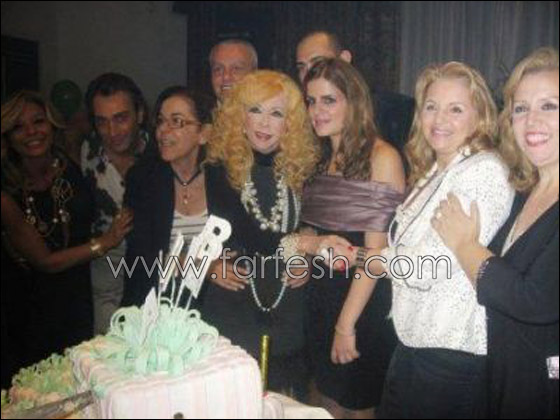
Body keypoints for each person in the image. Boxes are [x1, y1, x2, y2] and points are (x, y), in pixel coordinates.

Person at [324, 61, 516, 418]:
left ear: (480, 116)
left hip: (451, 358)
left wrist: (357, 256)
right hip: (415, 348)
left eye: (455, 109)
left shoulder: (483, 171)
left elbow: (429, 266)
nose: (439, 119)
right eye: (431, 106)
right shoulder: (439, 170)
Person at [432, 47, 559, 419]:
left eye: (549, 106)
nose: (532, 121)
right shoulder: (524, 192)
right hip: (505, 373)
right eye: (521, 108)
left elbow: (533, 299)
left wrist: (465, 245)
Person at [297, 58, 405, 419]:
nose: (317, 111)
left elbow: (376, 255)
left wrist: (345, 325)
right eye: (311, 101)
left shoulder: (382, 156)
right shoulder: (320, 159)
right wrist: (303, 249)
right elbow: (310, 230)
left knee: (358, 406)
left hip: (362, 306)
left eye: (329, 100)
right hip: (320, 298)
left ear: (354, 101)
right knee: (323, 405)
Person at [201, 70, 320, 399]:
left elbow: (315, 227)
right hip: (235, 298)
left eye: (276, 113)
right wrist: (209, 265)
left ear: (290, 123)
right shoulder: (216, 167)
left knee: (285, 403)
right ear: (240, 116)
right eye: (255, 110)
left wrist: (307, 252)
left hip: (287, 299)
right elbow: (215, 236)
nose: (264, 123)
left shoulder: (304, 168)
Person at [1, 91, 131, 370]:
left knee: (83, 371)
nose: (32, 132)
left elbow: (87, 119)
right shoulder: (6, 192)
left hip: (79, 291)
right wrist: (105, 242)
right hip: (33, 302)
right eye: (19, 127)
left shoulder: (68, 155)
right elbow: (45, 262)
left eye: (39, 121)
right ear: (7, 137)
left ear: (51, 124)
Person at [122, 87, 213, 307]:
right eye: (161, 121)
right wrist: (202, 266)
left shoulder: (223, 181)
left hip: (214, 307)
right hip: (155, 306)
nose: (163, 130)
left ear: (204, 133)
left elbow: (237, 252)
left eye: (177, 122)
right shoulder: (143, 179)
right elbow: (141, 258)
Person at [82, 73, 152, 334]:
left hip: (150, 273)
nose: (112, 132)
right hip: (103, 277)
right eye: (102, 122)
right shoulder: (85, 150)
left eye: (121, 118)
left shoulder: (161, 151)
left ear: (140, 114)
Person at [296, 31, 414, 154]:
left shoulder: (396, 111)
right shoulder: (304, 121)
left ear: (344, 59)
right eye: (301, 67)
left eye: (318, 63)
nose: (308, 73)